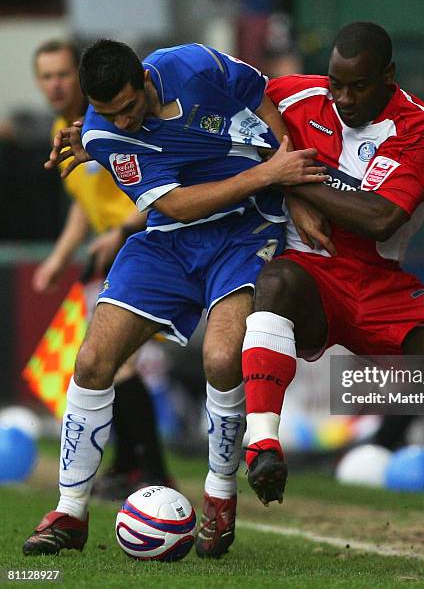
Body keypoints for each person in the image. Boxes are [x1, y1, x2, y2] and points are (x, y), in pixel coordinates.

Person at [241, 22, 424, 567]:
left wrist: (290, 180)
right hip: (309, 274)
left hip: (380, 283)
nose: (344, 98)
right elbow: (220, 98)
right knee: (275, 280)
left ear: (389, 78)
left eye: (359, 87)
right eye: (336, 85)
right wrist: (94, 134)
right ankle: (262, 446)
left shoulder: (420, 126)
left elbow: (381, 218)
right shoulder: (295, 94)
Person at [23, 39, 324, 559]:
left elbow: (262, 101)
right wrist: (269, 174)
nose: (123, 122)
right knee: (92, 360)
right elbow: (179, 207)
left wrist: (288, 184)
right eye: (109, 114)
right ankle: (69, 512)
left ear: (144, 78)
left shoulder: (195, 62)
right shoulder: (103, 134)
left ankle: (219, 498)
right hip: (169, 239)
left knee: (222, 358)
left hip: (248, 230)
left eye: (129, 108)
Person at [32, 39, 172, 500]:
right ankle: (131, 464)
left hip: (147, 239)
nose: (55, 84)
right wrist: (59, 256)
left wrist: (122, 230)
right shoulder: (68, 128)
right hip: (113, 248)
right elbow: (84, 205)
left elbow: (158, 177)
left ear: (83, 77)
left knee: (117, 362)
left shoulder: (116, 121)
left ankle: (149, 469)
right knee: (109, 363)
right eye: (46, 76)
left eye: (62, 74)